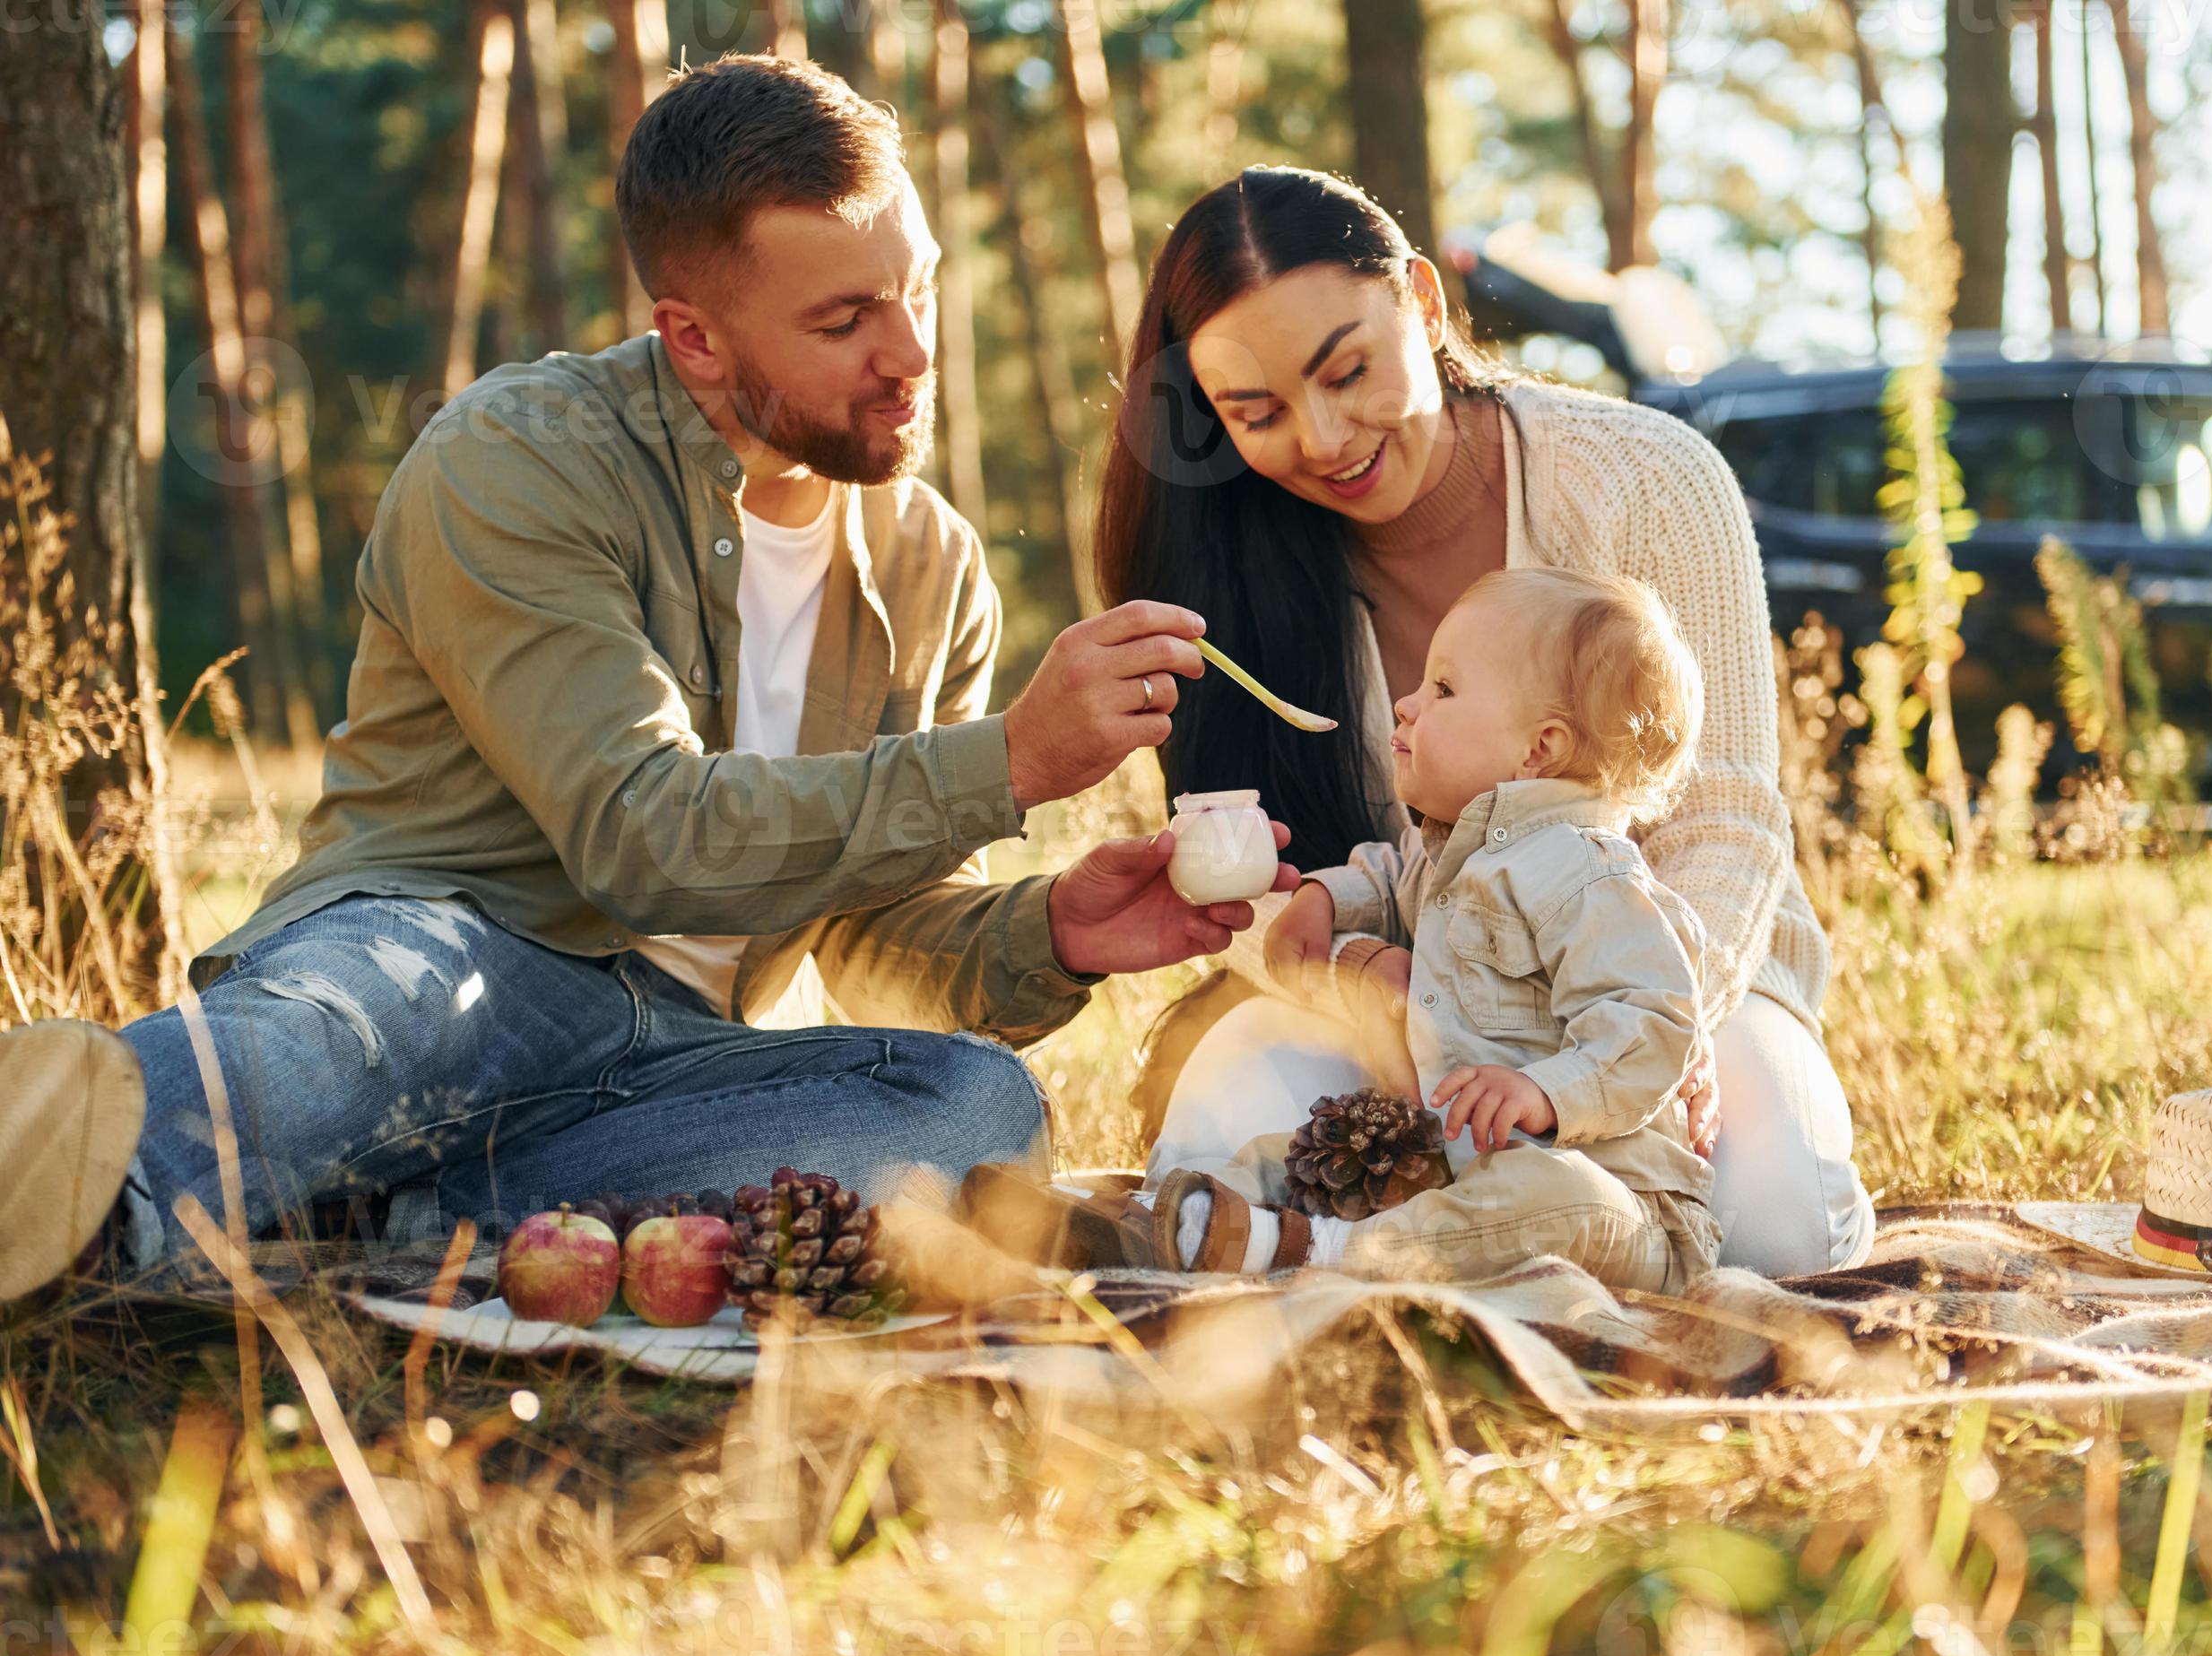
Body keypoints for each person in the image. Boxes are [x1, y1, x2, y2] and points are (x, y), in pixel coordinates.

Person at [0, 56, 1296, 1303]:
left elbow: (865, 927)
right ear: (694, 340)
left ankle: (392, 1216)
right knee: (355, 1024)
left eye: (918, 290)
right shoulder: (520, 458)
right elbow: (640, 836)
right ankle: (86, 1182)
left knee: (972, 1107)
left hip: (678, 1057)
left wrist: (1052, 928)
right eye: (843, 320)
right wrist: (1008, 761)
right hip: (453, 958)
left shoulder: (932, 567)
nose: (910, 353)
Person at [1095, 166, 1872, 1279]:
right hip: (1409, 1021)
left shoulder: (1648, 480)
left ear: (1421, 299)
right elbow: (1249, 885)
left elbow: (1728, 822)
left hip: (1677, 985)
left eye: (1347, 372)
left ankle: (1398, 1263)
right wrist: (1364, 971)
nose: (1320, 439)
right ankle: (1337, 1271)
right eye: (1257, 413)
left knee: (1776, 1232)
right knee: (1222, 1140)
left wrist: (1661, 1029)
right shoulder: (1222, 563)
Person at [1152, 568, 1719, 1290]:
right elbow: (1392, 879)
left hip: (1622, 1206)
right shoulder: (1452, 853)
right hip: (1464, 1165)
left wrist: (1547, 1092)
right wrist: (1327, 896)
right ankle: (1175, 1216)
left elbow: (1650, 1022)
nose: (1407, 705)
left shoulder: (1590, 875)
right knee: (1294, 1152)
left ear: (1538, 750)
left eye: (1443, 691)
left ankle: (1318, 1254)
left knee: (1551, 1201)